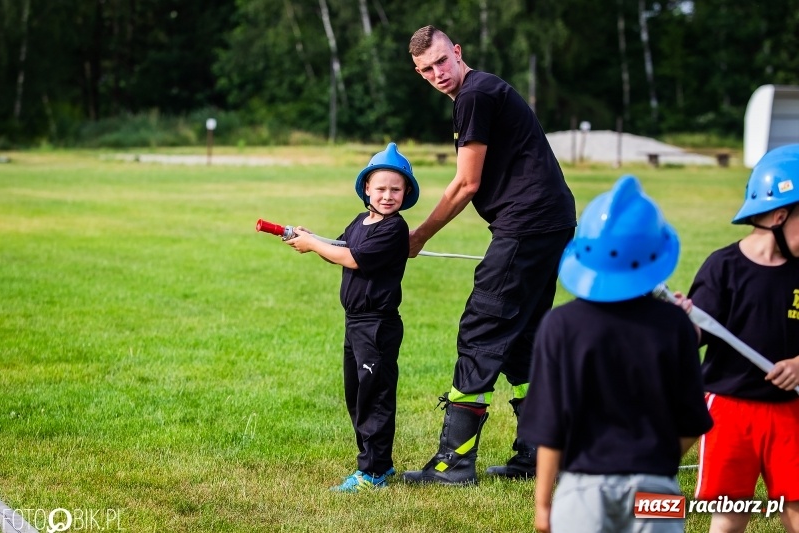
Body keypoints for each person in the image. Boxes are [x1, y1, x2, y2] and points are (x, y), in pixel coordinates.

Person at [402, 25, 577, 485]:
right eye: (426, 69)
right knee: (523, 337)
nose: (437, 73)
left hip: (529, 223)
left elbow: (466, 184)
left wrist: (418, 236)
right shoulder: (482, 90)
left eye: (442, 61)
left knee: (483, 326)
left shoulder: (474, 94)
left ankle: (454, 463)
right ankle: (539, 456)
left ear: (457, 53)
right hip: (549, 222)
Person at [519, 175, 713, 533]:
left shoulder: (559, 325)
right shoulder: (675, 325)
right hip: (659, 488)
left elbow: (549, 427)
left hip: (580, 488)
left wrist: (544, 505)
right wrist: (657, 466)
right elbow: (693, 422)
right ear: (655, 254)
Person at [285, 143, 420, 492]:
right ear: (366, 190)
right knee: (356, 394)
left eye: (396, 189)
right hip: (355, 323)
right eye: (381, 188)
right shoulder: (361, 222)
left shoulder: (394, 230)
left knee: (374, 397)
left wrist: (314, 245)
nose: (388, 196)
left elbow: (355, 260)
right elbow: (340, 251)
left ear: (406, 193)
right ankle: (378, 465)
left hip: (378, 325)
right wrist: (310, 238)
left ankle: (373, 472)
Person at [683, 150, 799, 532]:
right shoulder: (724, 267)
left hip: (789, 412)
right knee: (729, 515)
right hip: (728, 411)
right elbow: (698, 331)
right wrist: (682, 325)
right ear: (780, 214)